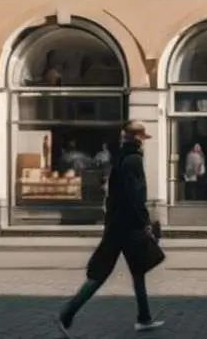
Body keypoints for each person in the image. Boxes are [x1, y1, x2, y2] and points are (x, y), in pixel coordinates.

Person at [55, 121, 164, 337]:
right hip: (125, 227)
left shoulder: (120, 158)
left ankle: (144, 318)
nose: (144, 142)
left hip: (118, 223)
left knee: (137, 269)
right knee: (101, 272)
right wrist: (145, 223)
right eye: (142, 138)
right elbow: (135, 195)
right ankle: (66, 314)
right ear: (137, 138)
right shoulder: (133, 160)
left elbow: (115, 193)